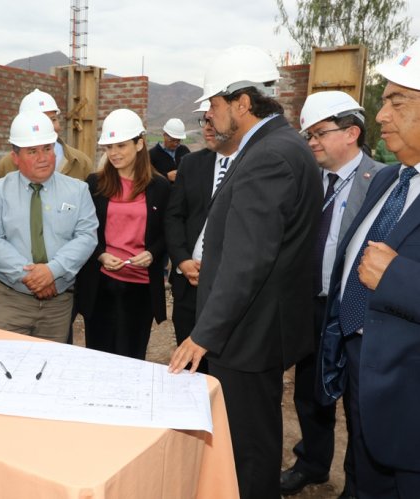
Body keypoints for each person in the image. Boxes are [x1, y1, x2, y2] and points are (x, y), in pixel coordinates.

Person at [168, 45, 322, 499]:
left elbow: (246, 260)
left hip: (249, 335)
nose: (209, 118)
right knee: (251, 440)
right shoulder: (280, 146)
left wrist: (204, 334)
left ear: (242, 102)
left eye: (213, 106)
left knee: (248, 451)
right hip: (257, 328)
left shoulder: (269, 156)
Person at [318, 40, 420, 498]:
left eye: (397, 102)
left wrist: (396, 278)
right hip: (362, 366)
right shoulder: (386, 177)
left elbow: (387, 273)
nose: (380, 115)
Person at [282, 91, 383, 498]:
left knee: (358, 403)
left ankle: (356, 483)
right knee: (310, 393)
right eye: (308, 135)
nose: (312, 143)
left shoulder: (382, 182)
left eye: (320, 133)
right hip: (310, 305)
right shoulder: (309, 180)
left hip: (357, 311)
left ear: (352, 133)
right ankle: (312, 463)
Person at [0, 110, 98, 343]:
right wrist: (32, 277)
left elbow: (86, 237)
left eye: (47, 148)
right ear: (15, 157)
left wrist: (52, 271)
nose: (43, 157)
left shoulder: (78, 190)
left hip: (58, 305)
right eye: (32, 151)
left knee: (50, 371)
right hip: (10, 302)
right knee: (6, 367)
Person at [77, 109, 170, 359]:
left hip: (140, 288)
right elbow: (83, 229)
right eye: (109, 147)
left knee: (133, 355)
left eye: (121, 145)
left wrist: (152, 253)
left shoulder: (159, 187)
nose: (114, 153)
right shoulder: (94, 184)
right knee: (99, 355)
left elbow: (167, 232)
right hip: (102, 286)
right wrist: (100, 255)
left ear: (139, 144)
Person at [164, 100, 237, 374]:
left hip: (227, 289)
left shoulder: (252, 165)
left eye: (212, 120)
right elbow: (174, 216)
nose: (207, 127)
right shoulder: (191, 164)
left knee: (222, 368)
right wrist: (182, 261)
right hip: (189, 284)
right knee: (188, 366)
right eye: (203, 122)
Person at [0, 88, 92, 181]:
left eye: (53, 119)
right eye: (41, 122)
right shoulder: (7, 164)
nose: (48, 127)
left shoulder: (81, 162)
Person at [149, 117, 190, 182]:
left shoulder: (184, 150)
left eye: (178, 140)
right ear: (164, 135)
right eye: (172, 140)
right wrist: (166, 176)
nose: (175, 144)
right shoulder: (152, 154)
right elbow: (147, 177)